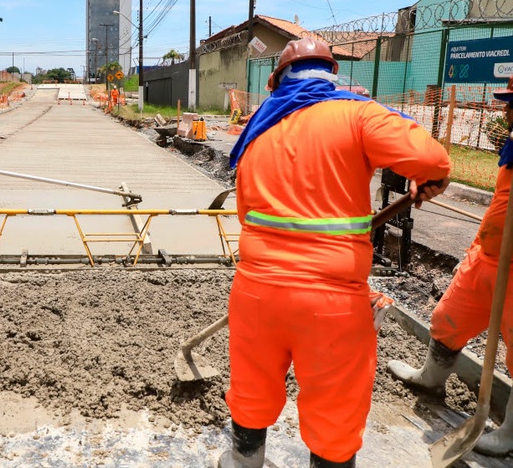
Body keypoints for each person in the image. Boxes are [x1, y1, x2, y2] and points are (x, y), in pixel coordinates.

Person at [220, 37, 451, 468]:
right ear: (332, 75)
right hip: (332, 298)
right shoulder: (357, 113)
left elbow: (246, 210)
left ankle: (242, 461)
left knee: (252, 384)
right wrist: (430, 177)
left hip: (256, 291)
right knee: (335, 406)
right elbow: (431, 159)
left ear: (277, 81)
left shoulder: (258, 126)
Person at [387, 75, 513, 457]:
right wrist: (477, 248)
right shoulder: (511, 148)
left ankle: (509, 432)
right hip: (488, 258)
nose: (507, 111)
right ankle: (430, 379)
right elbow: (500, 205)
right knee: (447, 319)